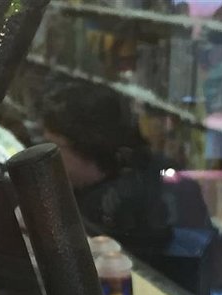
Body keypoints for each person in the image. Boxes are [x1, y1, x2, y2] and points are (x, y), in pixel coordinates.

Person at [40, 81, 173, 262]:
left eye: (53, 147)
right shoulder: (127, 176)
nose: (48, 160)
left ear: (85, 146)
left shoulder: (113, 212)